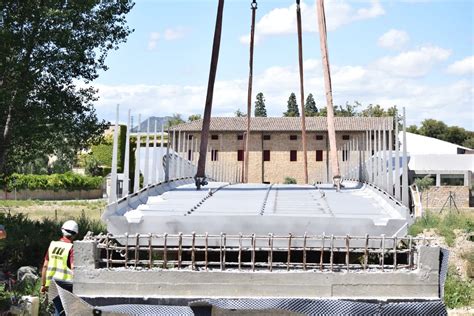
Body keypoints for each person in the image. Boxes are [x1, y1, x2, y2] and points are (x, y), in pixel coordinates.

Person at [41, 220, 78, 315]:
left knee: (58, 309)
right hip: (66, 286)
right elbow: (73, 268)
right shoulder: (71, 248)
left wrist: (43, 285)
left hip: (52, 284)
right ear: (75, 234)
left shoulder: (53, 245)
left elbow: (45, 265)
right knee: (63, 311)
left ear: (62, 230)